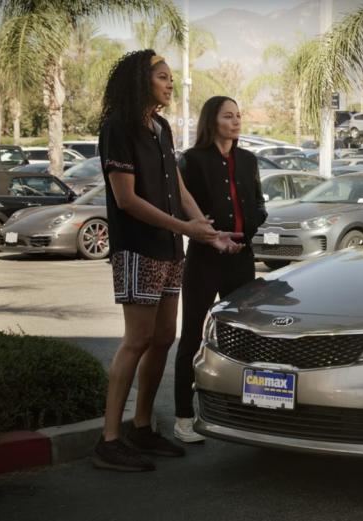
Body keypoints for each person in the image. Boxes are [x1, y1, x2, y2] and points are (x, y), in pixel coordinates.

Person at [94, 50, 241, 472]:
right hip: (138, 247)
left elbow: (177, 189)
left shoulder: (160, 128)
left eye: (170, 77)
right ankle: (109, 440)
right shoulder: (117, 128)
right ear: (141, 81)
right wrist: (187, 229)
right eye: (162, 76)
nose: (170, 83)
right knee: (136, 340)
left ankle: (142, 428)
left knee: (162, 339)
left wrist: (208, 232)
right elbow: (126, 200)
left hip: (170, 249)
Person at [173, 96, 267, 442]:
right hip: (204, 256)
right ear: (212, 121)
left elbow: (257, 203)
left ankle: (244, 414)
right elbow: (182, 206)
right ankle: (183, 417)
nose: (236, 121)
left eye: (239, 115)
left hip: (242, 257)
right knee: (193, 336)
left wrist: (252, 226)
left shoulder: (248, 159)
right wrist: (210, 232)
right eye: (228, 116)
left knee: (244, 338)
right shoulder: (192, 160)